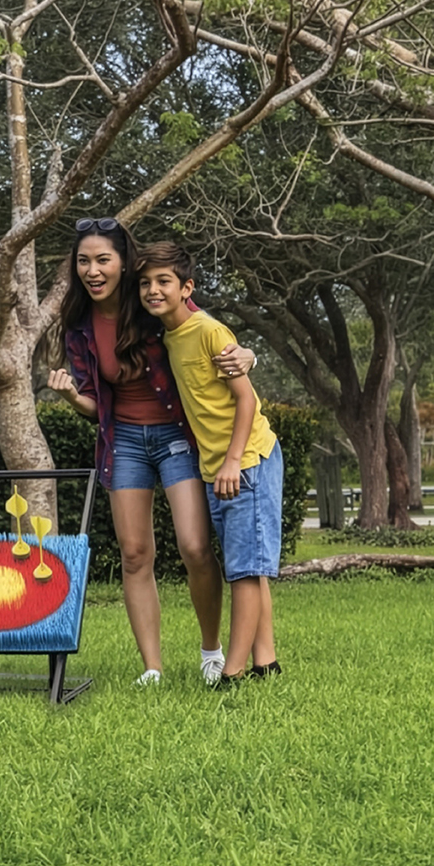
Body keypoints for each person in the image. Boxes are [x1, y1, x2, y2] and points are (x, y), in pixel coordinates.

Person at [47, 217, 254, 686]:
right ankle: (152, 667)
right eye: (84, 261)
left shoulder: (153, 304)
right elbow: (94, 405)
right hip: (123, 443)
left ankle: (211, 653)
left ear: (124, 263)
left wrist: (248, 355)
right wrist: (68, 396)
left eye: (103, 260)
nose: (93, 270)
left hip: (177, 437)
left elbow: (206, 332)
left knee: (196, 547)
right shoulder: (79, 326)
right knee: (136, 553)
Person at [134, 241, 282, 687]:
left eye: (164, 282)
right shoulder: (169, 336)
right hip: (215, 465)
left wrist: (234, 460)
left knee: (244, 569)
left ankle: (233, 674)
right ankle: (266, 663)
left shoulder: (209, 332)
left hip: (247, 460)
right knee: (247, 564)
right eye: (145, 283)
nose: (153, 290)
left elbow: (246, 399)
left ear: (187, 288)